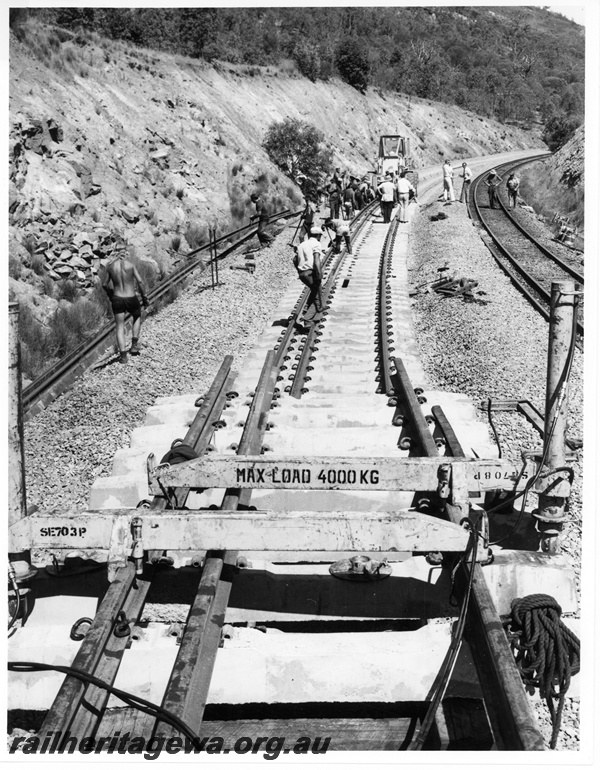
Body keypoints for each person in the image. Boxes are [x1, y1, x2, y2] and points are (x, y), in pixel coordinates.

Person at [101, 249, 149, 364]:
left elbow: (104, 284)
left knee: (120, 326)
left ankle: (123, 356)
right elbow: (140, 282)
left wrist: (110, 294)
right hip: (131, 297)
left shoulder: (110, 267)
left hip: (117, 298)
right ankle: (134, 345)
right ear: (125, 255)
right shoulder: (130, 265)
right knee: (137, 316)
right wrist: (144, 297)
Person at [293, 225, 323, 325]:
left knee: (314, 292)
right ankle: (308, 319)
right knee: (318, 296)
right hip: (311, 273)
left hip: (302, 274)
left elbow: (294, 259)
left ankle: (308, 308)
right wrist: (319, 274)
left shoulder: (302, 244)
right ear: (318, 235)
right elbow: (316, 260)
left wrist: (300, 271)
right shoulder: (317, 244)